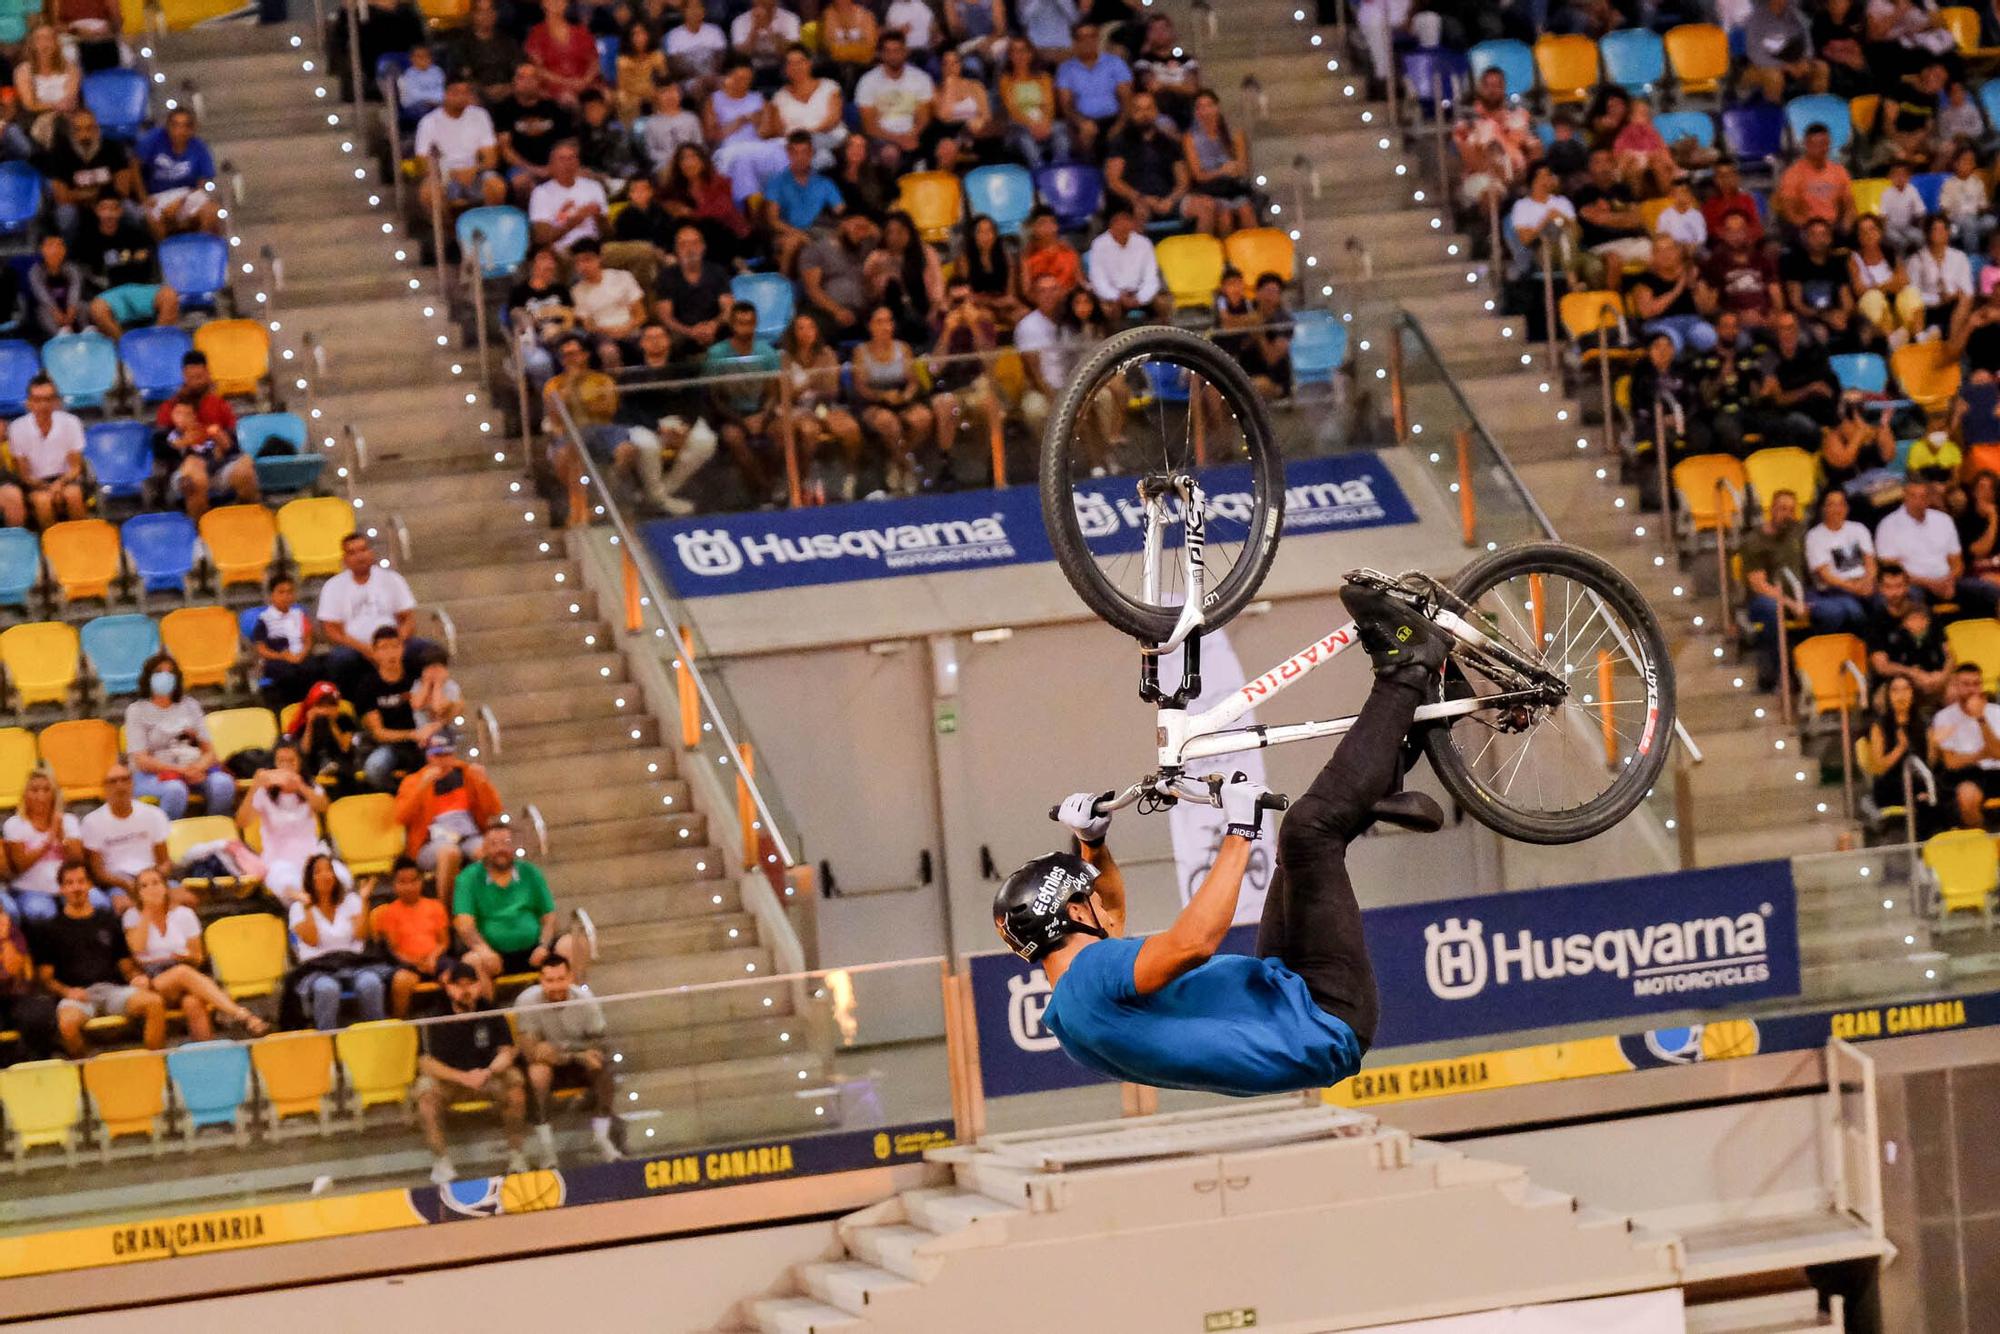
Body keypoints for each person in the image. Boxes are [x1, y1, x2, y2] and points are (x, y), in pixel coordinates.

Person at [995, 582, 1452, 1097]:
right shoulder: (1091, 978)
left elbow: (1114, 921)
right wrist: (1238, 831)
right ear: (1074, 914)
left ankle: (1399, 751)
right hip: (1322, 1014)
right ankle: (1410, 665)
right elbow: (1192, 944)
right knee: (1310, 831)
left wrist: (1092, 846)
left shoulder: (1072, 1008)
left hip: (1284, 995)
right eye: (1087, 896)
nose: (1099, 899)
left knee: (1303, 845)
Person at [37, 859, 165, 1056]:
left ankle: (154, 1065)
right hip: (78, 996)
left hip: (113, 990)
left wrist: (135, 977)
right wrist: (67, 991)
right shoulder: (50, 928)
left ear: (90, 884)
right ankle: (90, 1071)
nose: (76, 888)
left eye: (81, 881)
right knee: (67, 1024)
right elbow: (46, 978)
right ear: (61, 889)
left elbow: (125, 964)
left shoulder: (108, 920)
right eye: (69, 883)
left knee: (154, 1003)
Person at [123, 865, 267, 1038]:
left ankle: (207, 1054)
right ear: (137, 893)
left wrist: (187, 956)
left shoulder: (184, 915)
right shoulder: (132, 916)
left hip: (184, 970)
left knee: (193, 1002)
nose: (151, 889)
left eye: (155, 883)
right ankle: (240, 1014)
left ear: (165, 887)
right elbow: (136, 948)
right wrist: (147, 911)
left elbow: (198, 957)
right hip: (151, 979)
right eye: (144, 886)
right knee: (182, 973)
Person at [418, 960, 529, 1183]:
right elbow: (426, 1063)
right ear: (449, 988)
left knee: (515, 1084)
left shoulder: (491, 1012)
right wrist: (462, 1077)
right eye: (459, 985)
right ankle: (442, 1163)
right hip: (451, 1081)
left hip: (487, 1078)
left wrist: (487, 1072)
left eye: (470, 984)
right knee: (425, 1095)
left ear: (479, 986)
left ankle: (517, 1156)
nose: (465, 990)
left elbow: (507, 1052)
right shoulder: (435, 1016)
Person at [514, 953, 619, 1165]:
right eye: (549, 981)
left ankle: (601, 1138)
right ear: (540, 980)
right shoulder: (526, 1001)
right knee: (537, 1072)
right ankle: (547, 1149)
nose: (555, 986)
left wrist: (575, 1053)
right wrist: (576, 1054)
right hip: (553, 1063)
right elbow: (532, 1051)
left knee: (603, 1069)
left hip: (576, 1061)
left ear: (570, 978)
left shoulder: (586, 1001)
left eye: (561, 979)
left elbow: (598, 1043)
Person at [125, 653, 238, 819]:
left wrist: (198, 768)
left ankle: (215, 830)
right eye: (158, 672)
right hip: (153, 775)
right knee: (175, 789)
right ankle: (165, 838)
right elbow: (141, 760)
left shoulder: (190, 705)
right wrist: (180, 771)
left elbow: (209, 751)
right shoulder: (136, 710)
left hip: (193, 768)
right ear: (148, 677)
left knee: (223, 784)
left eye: (170, 673)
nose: (165, 676)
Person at [454, 835, 570, 991]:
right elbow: (464, 924)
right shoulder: (468, 877)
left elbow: (549, 916)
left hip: (534, 950)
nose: (501, 849)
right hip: (492, 952)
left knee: (570, 944)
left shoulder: (530, 872)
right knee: (472, 960)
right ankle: (490, 1013)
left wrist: (543, 946)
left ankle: (573, 1005)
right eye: (494, 843)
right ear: (483, 849)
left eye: (506, 843)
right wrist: (484, 950)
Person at [395, 732, 503, 896]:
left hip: (469, 836)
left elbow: (494, 810)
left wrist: (483, 783)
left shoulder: (467, 773)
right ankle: (447, 909)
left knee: (490, 850)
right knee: (450, 852)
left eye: (447, 754)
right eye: (438, 755)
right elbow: (401, 817)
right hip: (431, 843)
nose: (443, 760)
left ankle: (496, 902)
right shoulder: (413, 781)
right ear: (429, 757)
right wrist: (422, 788)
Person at [853, 303, 945, 494]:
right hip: (874, 400)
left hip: (901, 398)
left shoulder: (902, 348)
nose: (886, 326)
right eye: (880, 322)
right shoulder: (861, 352)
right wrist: (883, 396)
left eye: (888, 321)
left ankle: (897, 459)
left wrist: (906, 395)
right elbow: (861, 387)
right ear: (870, 326)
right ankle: (905, 465)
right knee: (889, 424)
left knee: (923, 419)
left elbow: (912, 381)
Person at [288, 851, 385, 1030]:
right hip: (317, 968)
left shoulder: (351, 900)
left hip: (352, 963)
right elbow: (312, 940)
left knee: (371, 983)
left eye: (329, 870)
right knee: (327, 989)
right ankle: (327, 1041)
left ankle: (377, 1037)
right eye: (318, 872)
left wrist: (364, 901)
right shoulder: (298, 908)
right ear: (310, 879)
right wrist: (308, 906)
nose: (326, 875)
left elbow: (361, 935)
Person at [1878, 478, 2000, 613]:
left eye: (1923, 496)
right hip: (1914, 584)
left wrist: (1949, 580)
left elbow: (1957, 562)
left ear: (1929, 498)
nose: (1918, 501)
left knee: (1989, 590)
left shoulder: (1944, 520)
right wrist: (1930, 584)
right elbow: (1892, 570)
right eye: (1913, 496)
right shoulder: (1887, 525)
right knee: (1910, 599)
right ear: (1904, 496)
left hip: (1947, 582)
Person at [316, 530, 419, 689]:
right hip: (355, 647)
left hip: (392, 642)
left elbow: (408, 619)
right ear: (345, 559)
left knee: (426, 651)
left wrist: (393, 645)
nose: (360, 556)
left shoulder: (392, 579)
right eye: (352, 552)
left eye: (363, 550)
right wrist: (366, 649)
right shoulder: (333, 586)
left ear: (371, 552)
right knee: (339, 660)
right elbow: (330, 629)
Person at [779, 311, 865, 496]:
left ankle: (850, 476)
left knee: (850, 429)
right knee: (809, 431)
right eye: (801, 328)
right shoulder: (785, 358)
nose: (807, 332)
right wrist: (812, 379)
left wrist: (810, 386)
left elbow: (832, 389)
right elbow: (787, 395)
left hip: (824, 405)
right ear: (793, 332)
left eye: (811, 327)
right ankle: (804, 481)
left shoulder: (827, 354)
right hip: (797, 409)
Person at [705, 301, 784, 500]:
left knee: (782, 433)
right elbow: (714, 397)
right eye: (740, 323)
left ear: (756, 323)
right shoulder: (716, 354)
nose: (745, 329)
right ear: (732, 324)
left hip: (761, 411)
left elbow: (773, 392)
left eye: (749, 323)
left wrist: (763, 417)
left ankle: (776, 482)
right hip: (731, 414)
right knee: (734, 439)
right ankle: (763, 491)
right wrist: (742, 421)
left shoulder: (767, 351)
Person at [74, 193, 179, 339]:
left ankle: (157, 341)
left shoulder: (136, 234)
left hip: (141, 289)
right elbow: (86, 275)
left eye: (113, 209)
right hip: (111, 293)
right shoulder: (87, 239)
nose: (109, 214)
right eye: (104, 209)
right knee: (97, 309)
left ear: (120, 211)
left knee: (170, 296)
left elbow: (151, 263)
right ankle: (125, 347)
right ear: (96, 211)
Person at [242, 740, 329, 903]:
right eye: (281, 761)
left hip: (310, 855)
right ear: (273, 764)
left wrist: (300, 786)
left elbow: (323, 807)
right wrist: (254, 787)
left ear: (300, 763)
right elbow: (242, 822)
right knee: (286, 881)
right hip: (278, 859)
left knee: (339, 876)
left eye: (291, 761)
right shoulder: (264, 792)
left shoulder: (309, 787)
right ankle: (304, 901)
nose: (286, 766)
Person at [6, 769, 91, 925]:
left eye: (46, 790)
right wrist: (50, 838)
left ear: (54, 794)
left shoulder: (68, 821)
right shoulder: (15, 824)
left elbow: (78, 861)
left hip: (69, 888)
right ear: (25, 795)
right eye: (34, 790)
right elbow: (20, 865)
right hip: (31, 890)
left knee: (99, 903)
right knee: (42, 912)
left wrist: (62, 837)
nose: (41, 796)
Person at [79, 761, 170, 907]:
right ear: (104, 788)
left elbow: (165, 861)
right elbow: (98, 871)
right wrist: (126, 883)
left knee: (185, 899)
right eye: (113, 781)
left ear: (133, 783)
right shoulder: (92, 822)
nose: (119, 785)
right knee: (123, 906)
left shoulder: (154, 814)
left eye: (125, 779)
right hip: (117, 881)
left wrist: (151, 881)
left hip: (151, 875)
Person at [414, 76, 508, 216]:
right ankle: (448, 233)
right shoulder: (429, 122)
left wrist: (474, 170)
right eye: (456, 93)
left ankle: (487, 229)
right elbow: (422, 162)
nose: (462, 97)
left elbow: (491, 158)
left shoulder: (480, 115)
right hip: (444, 175)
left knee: (497, 186)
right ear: (445, 94)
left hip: (476, 172)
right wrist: (449, 173)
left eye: (466, 93)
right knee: (428, 193)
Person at [2, 374, 87, 528]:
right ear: (29, 403)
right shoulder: (17, 428)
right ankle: (50, 547)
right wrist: (47, 488)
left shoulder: (71, 423)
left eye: (48, 399)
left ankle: (81, 541)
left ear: (56, 401)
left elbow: (75, 467)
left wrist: (60, 484)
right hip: (36, 483)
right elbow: (24, 474)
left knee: (73, 495)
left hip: (66, 478)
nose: (43, 404)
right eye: (37, 399)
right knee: (43, 501)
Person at [357, 626, 435, 793]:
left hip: (423, 740)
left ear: (403, 648)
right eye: (384, 648)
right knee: (374, 768)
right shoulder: (368, 686)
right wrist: (411, 734)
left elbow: (440, 707)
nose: (391, 653)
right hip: (390, 743)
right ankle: (400, 796)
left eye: (395, 646)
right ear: (375, 652)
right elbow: (379, 732)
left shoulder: (416, 676)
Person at [373, 855, 451, 1018]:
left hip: (435, 959)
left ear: (421, 881)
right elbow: (393, 950)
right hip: (407, 964)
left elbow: (444, 942)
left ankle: (450, 1021)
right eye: (403, 882)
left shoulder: (435, 906)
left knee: (453, 975)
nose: (409, 887)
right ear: (394, 885)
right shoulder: (388, 912)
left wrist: (432, 958)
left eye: (413, 881)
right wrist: (417, 963)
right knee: (401, 981)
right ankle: (400, 1026)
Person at [760, 130, 845, 274]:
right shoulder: (777, 181)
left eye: (804, 152)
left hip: (818, 231)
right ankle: (784, 285)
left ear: (812, 153)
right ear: (788, 153)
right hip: (787, 232)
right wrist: (800, 235)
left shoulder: (825, 182)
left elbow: (841, 210)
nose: (800, 157)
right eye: (795, 152)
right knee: (792, 243)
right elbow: (772, 220)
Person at [1104, 89, 1191, 230]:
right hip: (1136, 200)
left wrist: (1171, 200)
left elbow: (1183, 181)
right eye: (1139, 110)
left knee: (1204, 206)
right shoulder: (1120, 142)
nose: (1144, 114)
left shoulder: (1169, 142)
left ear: (1156, 111)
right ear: (1131, 113)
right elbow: (1114, 181)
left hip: (1169, 200)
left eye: (1148, 108)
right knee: (1140, 212)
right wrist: (1140, 198)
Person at [1931, 662, 2000, 829]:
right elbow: (1951, 762)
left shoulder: (1996, 712)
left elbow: (1997, 753)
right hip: (1965, 775)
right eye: (1966, 684)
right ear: (1956, 686)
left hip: (1996, 771)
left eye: (1976, 684)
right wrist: (1981, 754)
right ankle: (1984, 840)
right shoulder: (1944, 717)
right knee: (1967, 796)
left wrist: (1981, 719)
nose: (1972, 690)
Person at [134, 106, 222, 237]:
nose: (179, 131)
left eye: (185, 126)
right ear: (167, 126)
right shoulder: (154, 139)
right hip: (156, 195)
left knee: (212, 210)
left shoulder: (199, 147)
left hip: (185, 195)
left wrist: (180, 203)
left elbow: (200, 186)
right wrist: (143, 198)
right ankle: (165, 253)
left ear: (192, 129)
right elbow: (134, 167)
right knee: (152, 219)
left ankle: (200, 249)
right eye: (175, 125)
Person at [494, 64, 576, 204]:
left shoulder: (554, 107)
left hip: (554, 164)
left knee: (586, 176)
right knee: (522, 182)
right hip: (520, 167)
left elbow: (568, 143)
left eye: (532, 78)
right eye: (522, 78)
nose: (527, 82)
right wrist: (535, 170)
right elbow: (505, 150)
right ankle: (531, 223)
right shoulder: (503, 109)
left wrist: (555, 166)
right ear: (514, 81)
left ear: (539, 82)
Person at [855, 33, 934, 167]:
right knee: (890, 153)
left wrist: (912, 135)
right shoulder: (867, 81)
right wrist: (898, 139)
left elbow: (924, 117)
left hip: (914, 133)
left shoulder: (921, 78)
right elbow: (869, 126)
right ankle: (890, 187)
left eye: (897, 50)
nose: (893, 55)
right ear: (881, 54)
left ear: (905, 52)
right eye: (888, 51)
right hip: (882, 137)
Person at [566, 239, 647, 369]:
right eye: (578, 262)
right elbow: (588, 326)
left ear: (599, 259)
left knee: (653, 342)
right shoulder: (577, 291)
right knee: (608, 351)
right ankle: (617, 387)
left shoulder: (623, 277)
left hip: (630, 328)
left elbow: (641, 315)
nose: (583, 266)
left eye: (587, 260)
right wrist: (610, 331)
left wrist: (625, 328)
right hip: (601, 335)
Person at [1055, 22, 1131, 158]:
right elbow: (1066, 105)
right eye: (1082, 38)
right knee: (1084, 136)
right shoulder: (1066, 69)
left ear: (1097, 39)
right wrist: (1081, 122)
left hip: (1114, 119)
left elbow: (1127, 97)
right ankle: (1090, 174)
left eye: (1091, 36)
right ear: (1075, 42)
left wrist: (1121, 124)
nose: (1087, 41)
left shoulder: (1115, 63)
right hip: (1082, 121)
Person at [1804, 488, 1878, 619]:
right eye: (1831, 504)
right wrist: (1855, 588)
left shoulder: (1859, 528)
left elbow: (1870, 562)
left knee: (1885, 602)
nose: (1837, 509)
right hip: (1836, 589)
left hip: (1865, 583)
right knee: (1855, 612)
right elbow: (1825, 576)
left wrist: (1868, 582)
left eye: (1841, 504)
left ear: (1847, 508)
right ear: (1823, 509)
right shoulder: (1814, 536)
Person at [1866, 674, 1932, 818]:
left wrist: (1935, 744)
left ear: (1913, 693)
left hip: (1919, 780)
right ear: (1888, 695)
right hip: (1891, 784)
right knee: (1921, 802)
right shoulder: (1879, 726)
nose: (1901, 695)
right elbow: (1879, 767)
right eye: (1895, 690)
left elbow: (1931, 761)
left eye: (1906, 689)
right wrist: (1900, 748)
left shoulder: (1924, 723)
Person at [249, 572, 319, 710]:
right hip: (277, 659)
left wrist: (302, 654)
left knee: (315, 669)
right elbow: (261, 649)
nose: (286, 596)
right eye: (281, 592)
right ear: (271, 595)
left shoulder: (299, 614)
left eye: (290, 592)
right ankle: (291, 708)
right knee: (288, 674)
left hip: (300, 656)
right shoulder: (265, 619)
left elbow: (308, 639)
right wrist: (283, 656)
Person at [1086, 205, 1165, 323]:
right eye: (1118, 221)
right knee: (1108, 309)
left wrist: (1140, 297)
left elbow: (1151, 277)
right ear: (1110, 224)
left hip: (1139, 293)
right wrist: (1117, 296)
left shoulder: (1144, 243)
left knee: (1163, 303)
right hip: (1114, 296)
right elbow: (1099, 281)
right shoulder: (1099, 245)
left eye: (1127, 220)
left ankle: (1163, 339)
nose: (1123, 224)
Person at [527, 140, 608, 253]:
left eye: (571, 158)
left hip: (595, 248)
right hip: (563, 251)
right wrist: (573, 222)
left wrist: (599, 217)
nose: (567, 164)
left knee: (639, 252)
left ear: (578, 163)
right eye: (562, 159)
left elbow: (609, 233)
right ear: (551, 165)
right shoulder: (541, 193)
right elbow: (542, 238)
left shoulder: (594, 187)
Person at [1000, 40, 1069, 169]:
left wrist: (1044, 123)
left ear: (1031, 54)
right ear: (1010, 56)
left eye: (1023, 50)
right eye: (1015, 51)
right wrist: (1031, 125)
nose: (1020, 55)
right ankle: (1039, 172)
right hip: (1019, 126)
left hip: (1043, 122)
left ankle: (1059, 169)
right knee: (1025, 139)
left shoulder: (1044, 78)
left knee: (1061, 132)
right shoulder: (1006, 80)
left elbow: (1049, 106)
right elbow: (1012, 110)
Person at [291, 680, 362, 793]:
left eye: (331, 704)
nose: (326, 709)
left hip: (341, 764)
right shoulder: (305, 723)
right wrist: (309, 724)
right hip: (312, 765)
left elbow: (345, 748)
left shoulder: (344, 720)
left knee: (345, 769)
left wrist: (332, 723)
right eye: (321, 705)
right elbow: (304, 751)